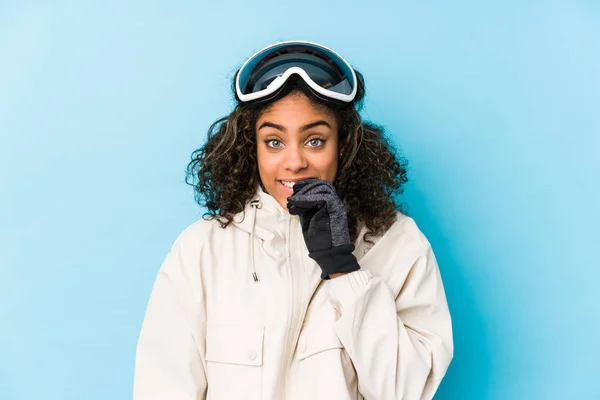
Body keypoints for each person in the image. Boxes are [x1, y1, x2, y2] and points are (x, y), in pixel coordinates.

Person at [133, 40, 453, 400]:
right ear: (250, 146)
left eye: (315, 140)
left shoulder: (398, 243)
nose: (295, 161)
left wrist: (343, 269)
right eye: (274, 142)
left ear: (343, 143)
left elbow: (406, 390)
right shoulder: (202, 250)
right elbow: (161, 388)